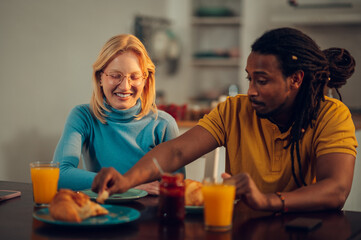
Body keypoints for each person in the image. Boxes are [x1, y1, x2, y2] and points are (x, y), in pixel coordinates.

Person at [92, 27, 357, 212]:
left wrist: (267, 202)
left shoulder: (331, 116)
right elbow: (176, 151)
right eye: (249, 78)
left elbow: (335, 189)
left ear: (295, 79)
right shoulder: (234, 110)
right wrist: (127, 181)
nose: (251, 90)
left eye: (262, 81)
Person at [53, 34, 184, 194]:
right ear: (100, 77)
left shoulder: (163, 124)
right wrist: (124, 184)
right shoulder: (83, 116)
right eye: (115, 76)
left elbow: (177, 190)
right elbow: (59, 174)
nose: (125, 86)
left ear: (145, 80)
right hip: (100, 214)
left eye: (134, 77)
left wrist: (124, 184)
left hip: (148, 214)